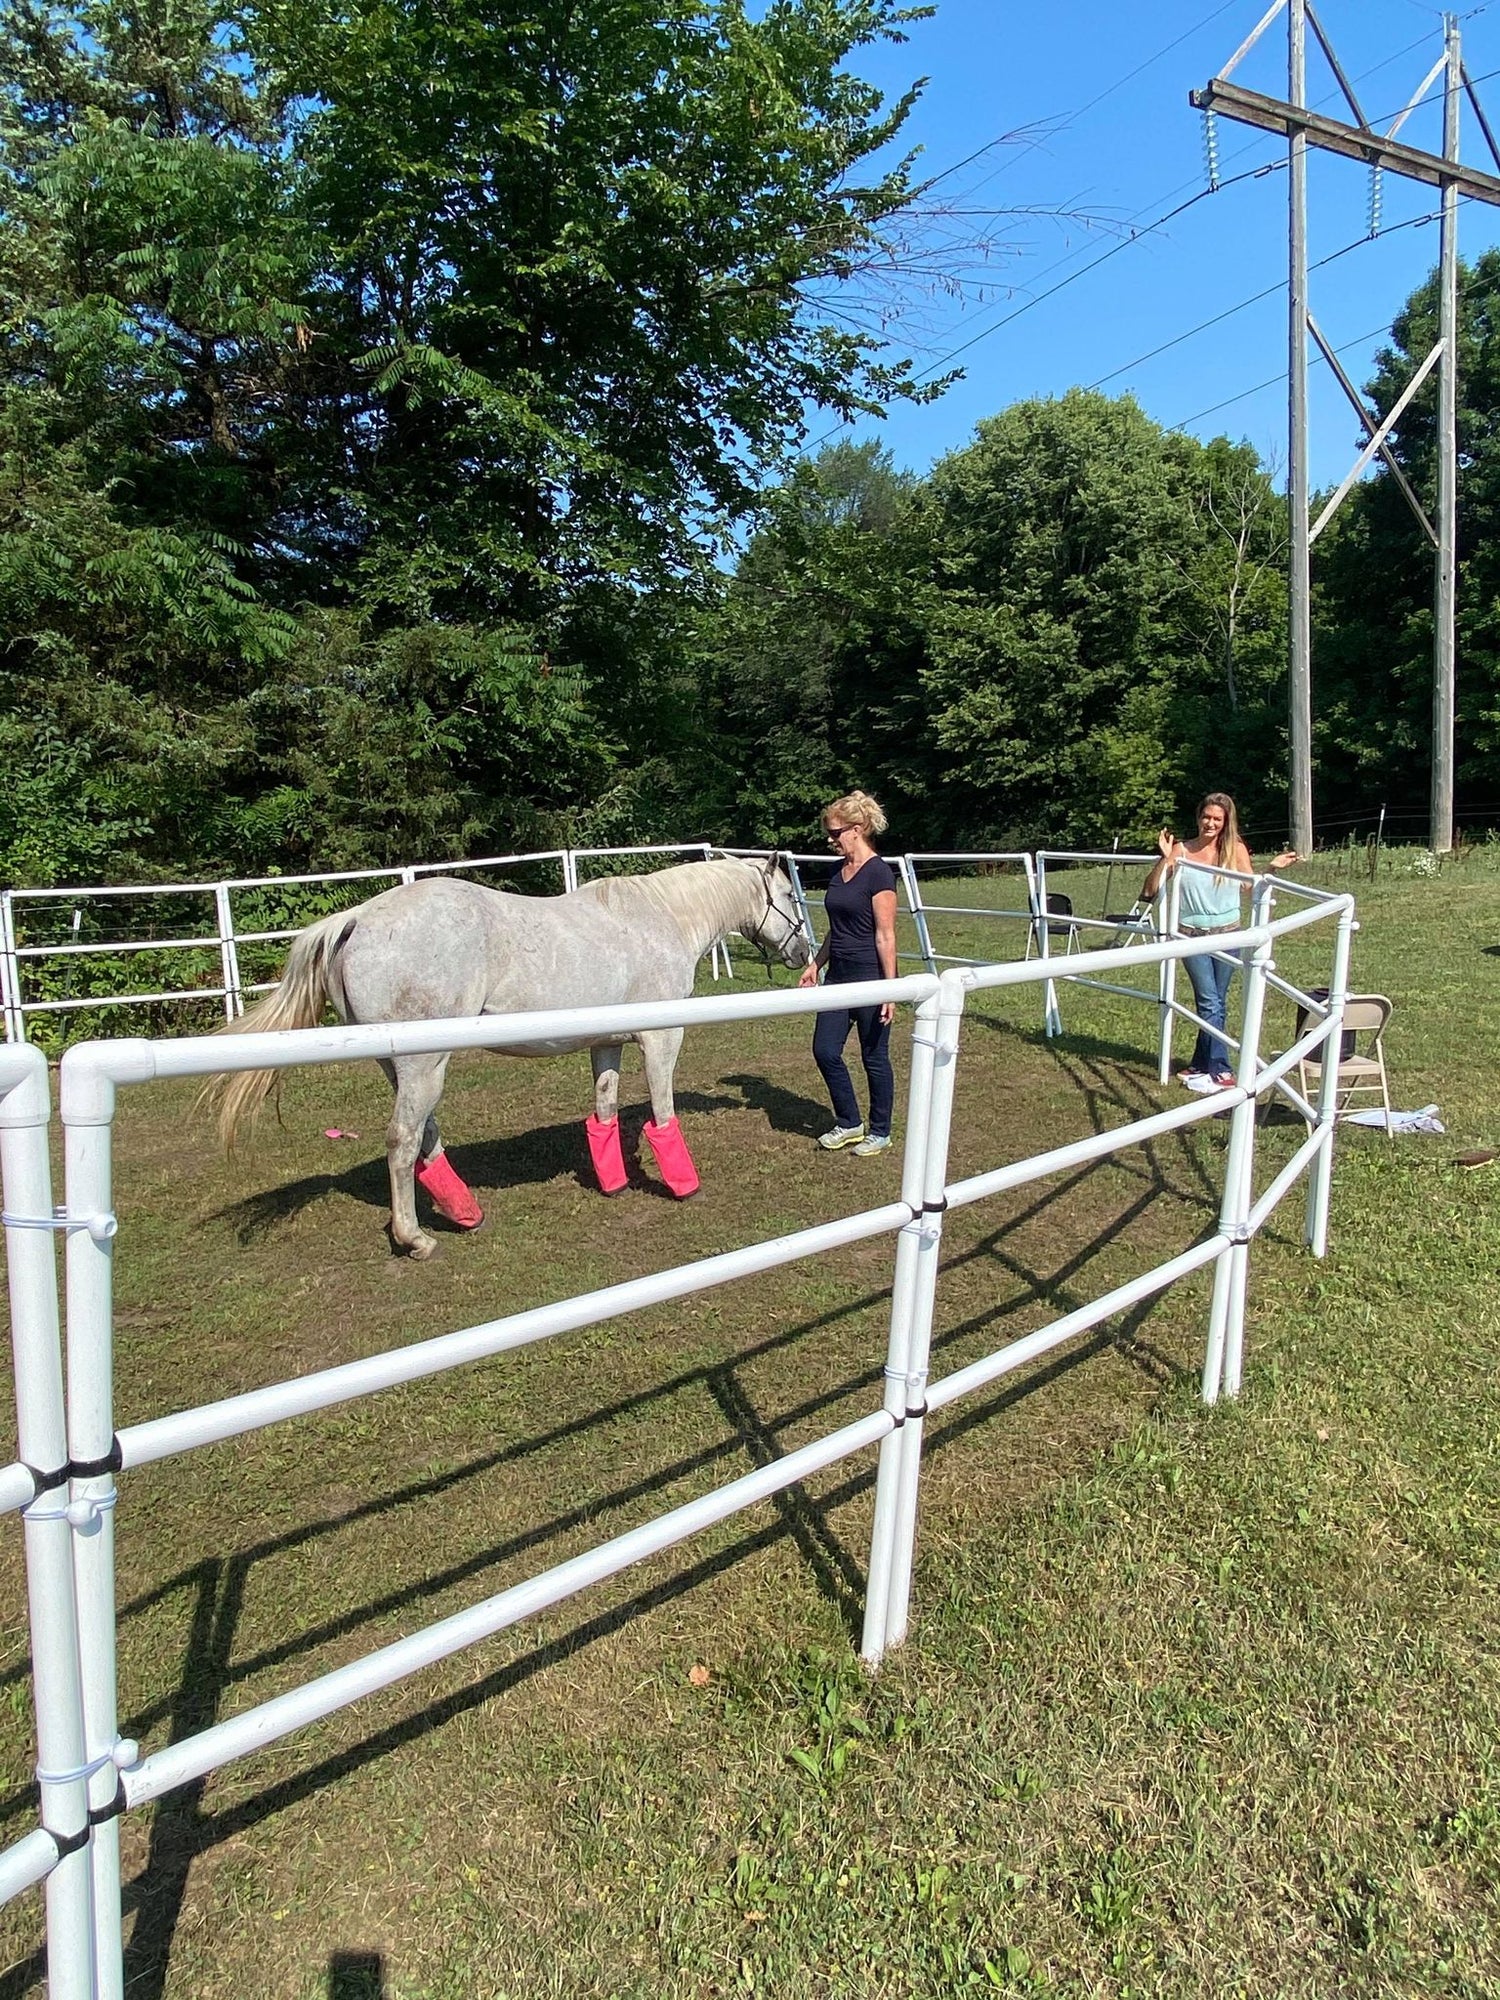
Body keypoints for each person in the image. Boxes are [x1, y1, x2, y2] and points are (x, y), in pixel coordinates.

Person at [1141, 794, 1298, 1089]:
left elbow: (1252, 889)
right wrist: (1165, 858)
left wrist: (1272, 869)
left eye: (1217, 819)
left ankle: (1200, 1063)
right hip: (1191, 936)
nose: (1210, 823)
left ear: (1226, 822)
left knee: (1217, 1003)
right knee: (1210, 1002)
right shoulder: (1182, 849)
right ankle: (1221, 1067)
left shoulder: (1235, 850)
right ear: (1198, 817)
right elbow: (1150, 891)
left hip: (1228, 935)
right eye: (1206, 817)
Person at [798, 790, 900, 1155]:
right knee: (825, 1050)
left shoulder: (879, 874)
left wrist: (889, 990)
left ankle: (881, 1129)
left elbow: (886, 934)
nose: (831, 839)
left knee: (874, 1056)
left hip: (871, 977)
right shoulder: (837, 873)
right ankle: (849, 1122)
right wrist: (816, 964)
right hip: (837, 976)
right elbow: (836, 927)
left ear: (857, 829)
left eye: (836, 832)